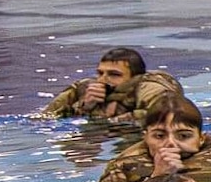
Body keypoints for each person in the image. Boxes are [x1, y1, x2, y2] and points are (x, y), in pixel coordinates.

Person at [41, 47, 183, 124]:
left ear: (135, 77)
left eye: (114, 75)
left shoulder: (151, 89)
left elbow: (169, 115)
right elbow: (43, 118)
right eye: (100, 73)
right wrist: (84, 107)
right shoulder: (85, 88)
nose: (102, 80)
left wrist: (114, 119)